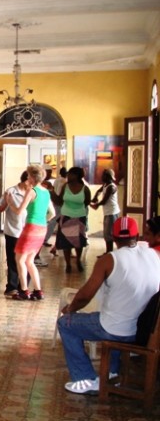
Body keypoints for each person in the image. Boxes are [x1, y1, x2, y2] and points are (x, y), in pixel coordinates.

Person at [57, 216, 160, 395]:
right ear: (137, 235)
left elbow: (85, 295)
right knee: (117, 318)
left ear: (113, 237)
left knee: (66, 324)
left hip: (118, 330)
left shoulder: (109, 259)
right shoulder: (154, 255)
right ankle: (112, 374)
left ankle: (85, 378)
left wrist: (70, 309)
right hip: (144, 331)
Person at [6, 164, 54, 301]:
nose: (27, 177)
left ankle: (24, 291)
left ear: (32, 177)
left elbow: (19, 211)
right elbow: (52, 213)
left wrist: (10, 202)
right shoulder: (46, 192)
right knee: (30, 260)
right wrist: (42, 220)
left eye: (28, 175)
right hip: (42, 228)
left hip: (31, 227)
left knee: (19, 259)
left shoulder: (31, 191)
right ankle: (38, 291)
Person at [53, 167, 91, 273]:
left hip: (79, 217)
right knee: (66, 242)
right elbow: (59, 200)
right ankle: (68, 264)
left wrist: (76, 208)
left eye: (70, 174)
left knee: (78, 242)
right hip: (66, 216)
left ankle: (78, 260)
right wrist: (51, 192)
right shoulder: (65, 186)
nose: (68, 176)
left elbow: (87, 202)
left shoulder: (85, 189)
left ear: (77, 175)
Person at [0, 170, 28, 296]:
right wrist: (6, 202)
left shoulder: (32, 193)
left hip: (27, 231)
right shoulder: (11, 191)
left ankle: (23, 286)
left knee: (26, 260)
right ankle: (12, 286)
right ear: (25, 180)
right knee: (12, 259)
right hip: (13, 231)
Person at [90, 169, 120, 256]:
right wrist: (95, 197)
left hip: (112, 212)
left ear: (108, 177)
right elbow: (99, 191)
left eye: (103, 175)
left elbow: (104, 201)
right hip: (108, 212)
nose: (102, 177)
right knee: (107, 233)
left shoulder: (111, 187)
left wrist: (96, 204)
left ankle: (109, 253)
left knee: (109, 234)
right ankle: (108, 252)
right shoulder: (106, 185)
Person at [46, 167, 67, 256]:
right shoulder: (64, 182)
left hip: (56, 202)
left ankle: (54, 245)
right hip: (59, 204)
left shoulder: (56, 180)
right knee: (56, 223)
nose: (50, 174)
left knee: (58, 224)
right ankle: (46, 240)